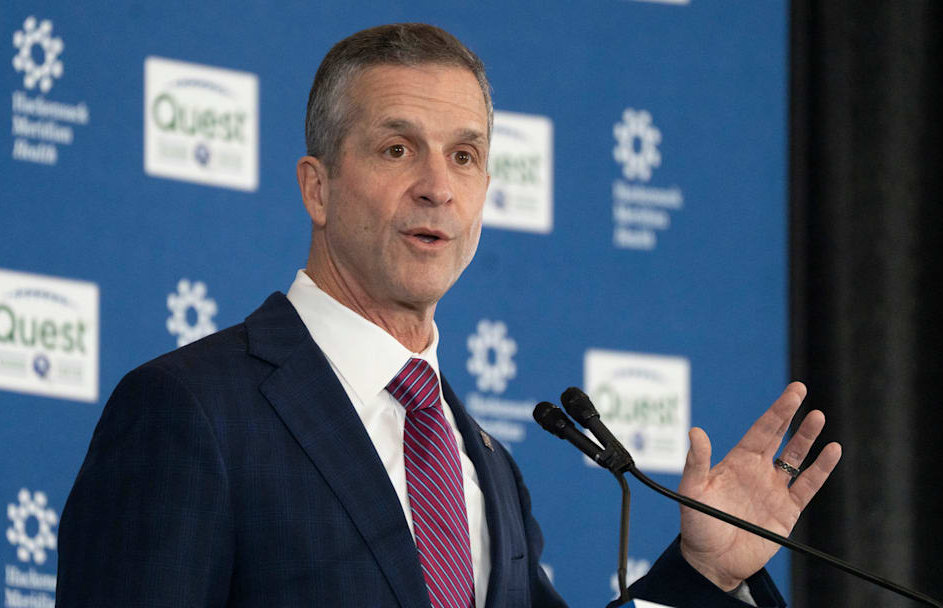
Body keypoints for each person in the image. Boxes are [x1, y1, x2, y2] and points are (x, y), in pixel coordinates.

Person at [56, 23, 841, 608]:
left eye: (464, 156)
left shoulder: (485, 465)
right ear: (317, 187)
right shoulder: (192, 410)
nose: (438, 186)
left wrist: (702, 573)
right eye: (398, 149)